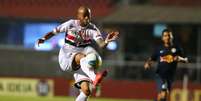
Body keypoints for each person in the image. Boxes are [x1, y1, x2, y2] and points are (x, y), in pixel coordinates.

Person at [37, 6, 118, 101]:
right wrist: (43, 38)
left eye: (88, 15)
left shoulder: (93, 29)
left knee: (86, 91)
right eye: (85, 16)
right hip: (66, 57)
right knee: (83, 56)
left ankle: (94, 79)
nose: (87, 18)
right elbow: (54, 31)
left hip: (81, 64)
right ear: (78, 16)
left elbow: (101, 44)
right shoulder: (71, 24)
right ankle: (95, 77)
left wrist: (107, 41)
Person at [144, 29, 188, 101]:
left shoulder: (177, 48)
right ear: (162, 38)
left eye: (169, 35)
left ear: (172, 37)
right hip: (160, 75)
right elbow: (152, 58)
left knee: (163, 97)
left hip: (170, 76)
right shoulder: (159, 49)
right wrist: (147, 63)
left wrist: (180, 59)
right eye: (165, 36)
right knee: (163, 92)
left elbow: (186, 59)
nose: (167, 37)